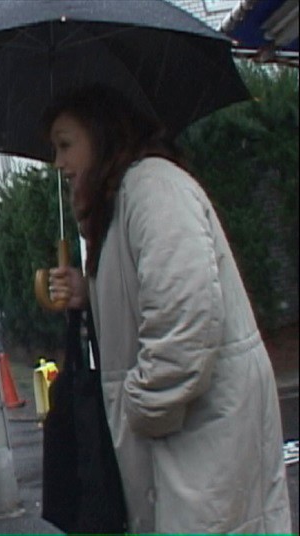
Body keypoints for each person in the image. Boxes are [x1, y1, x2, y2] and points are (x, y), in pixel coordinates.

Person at [44, 85, 291, 533]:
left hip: (204, 446)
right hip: (190, 446)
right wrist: (88, 292)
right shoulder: (124, 201)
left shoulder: (153, 188)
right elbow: (153, 295)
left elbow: (186, 318)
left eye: (65, 145)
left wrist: (140, 406)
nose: (58, 163)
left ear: (101, 135)